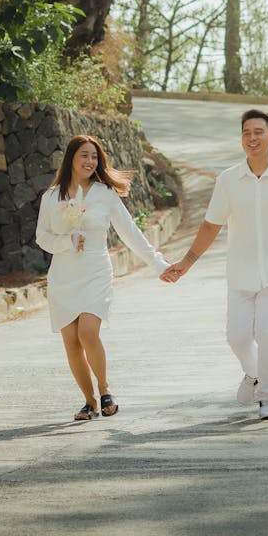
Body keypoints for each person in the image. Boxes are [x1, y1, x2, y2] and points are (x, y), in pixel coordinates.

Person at [160, 108, 268, 420]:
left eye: (258, 132)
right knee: (238, 337)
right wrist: (186, 262)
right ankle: (253, 372)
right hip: (241, 274)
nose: (252, 138)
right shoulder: (229, 180)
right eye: (246, 133)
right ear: (241, 139)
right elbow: (210, 226)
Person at [36, 134, 170, 421]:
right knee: (71, 342)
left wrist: (158, 265)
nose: (90, 161)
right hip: (62, 276)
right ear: (71, 158)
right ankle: (88, 402)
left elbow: (130, 233)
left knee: (88, 332)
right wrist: (67, 242)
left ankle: (105, 389)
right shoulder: (51, 197)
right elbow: (42, 237)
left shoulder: (105, 194)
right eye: (84, 155)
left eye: (94, 156)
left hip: (96, 271)